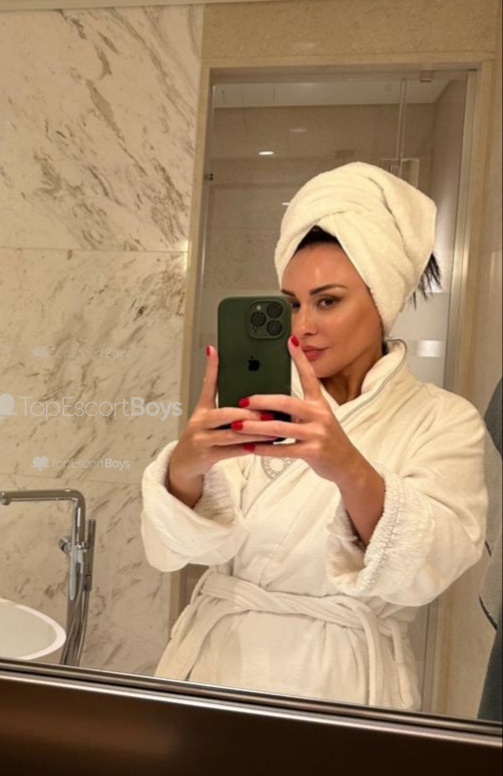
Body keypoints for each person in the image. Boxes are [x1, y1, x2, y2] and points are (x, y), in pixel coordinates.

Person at [140, 162, 488, 710]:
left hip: (343, 684)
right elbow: (185, 549)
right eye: (292, 304)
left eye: (328, 301)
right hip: (217, 668)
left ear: (383, 300)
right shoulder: (263, 404)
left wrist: (348, 466)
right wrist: (183, 469)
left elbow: (432, 567)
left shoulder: (444, 420)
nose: (302, 326)